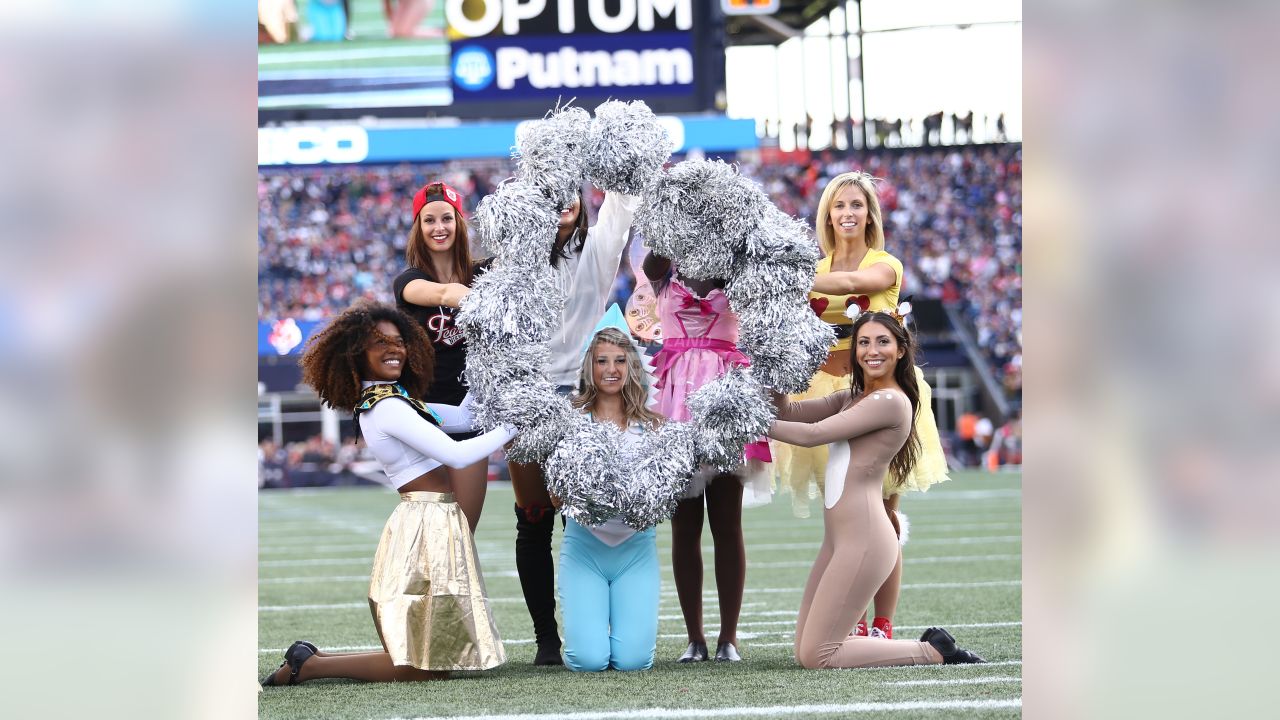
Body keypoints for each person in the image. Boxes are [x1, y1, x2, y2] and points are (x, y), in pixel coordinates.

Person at [261, 302, 512, 686]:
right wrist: (520, 422)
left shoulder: (394, 400)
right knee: (419, 668)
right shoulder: (388, 408)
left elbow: (466, 418)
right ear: (356, 353)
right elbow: (458, 454)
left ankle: (312, 659)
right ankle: (310, 667)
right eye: (379, 342)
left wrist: (486, 360)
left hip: (430, 520)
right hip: (426, 523)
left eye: (399, 341)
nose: (394, 348)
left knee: (427, 662)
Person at [772, 170, 950, 640]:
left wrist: (786, 269)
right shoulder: (815, 260)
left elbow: (851, 280)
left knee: (884, 509)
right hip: (822, 390)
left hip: (877, 389)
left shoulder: (885, 263)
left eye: (856, 205)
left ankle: (884, 624)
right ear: (826, 215)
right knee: (841, 510)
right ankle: (849, 617)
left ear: (870, 214)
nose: (847, 214)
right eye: (839, 205)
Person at [769, 311, 985, 669]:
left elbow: (812, 435)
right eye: (864, 342)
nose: (872, 350)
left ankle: (933, 652)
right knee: (805, 649)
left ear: (901, 350)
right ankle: (909, 647)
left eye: (883, 341)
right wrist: (776, 370)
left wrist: (746, 423)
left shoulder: (891, 401)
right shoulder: (852, 396)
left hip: (865, 538)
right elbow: (790, 411)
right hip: (838, 539)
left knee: (818, 656)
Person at [507, 186, 640, 665]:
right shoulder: (516, 255)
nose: (563, 199)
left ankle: (594, 632)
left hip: (583, 398)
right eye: (552, 190)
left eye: (572, 190)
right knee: (533, 519)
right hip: (527, 397)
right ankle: (546, 638)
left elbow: (624, 207)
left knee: (584, 517)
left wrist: (622, 158)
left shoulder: (597, 247)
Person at [641, 252, 768, 663]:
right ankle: (694, 637)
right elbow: (652, 261)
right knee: (684, 525)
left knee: (728, 522)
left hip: (728, 398)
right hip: (674, 400)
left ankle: (728, 638)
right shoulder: (664, 267)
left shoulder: (737, 264)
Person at [556, 324, 665, 672]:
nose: (611, 370)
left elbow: (664, 499)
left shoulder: (655, 425)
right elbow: (556, 499)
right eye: (602, 360)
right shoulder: (569, 422)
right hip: (584, 548)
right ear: (589, 366)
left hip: (636, 549)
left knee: (634, 661)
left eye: (620, 360)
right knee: (588, 660)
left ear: (632, 366)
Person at [393, 181, 492, 532]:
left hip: (473, 412)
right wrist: (488, 300)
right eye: (429, 220)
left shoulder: (485, 273)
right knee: (431, 533)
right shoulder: (408, 281)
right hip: (424, 415)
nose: (439, 228)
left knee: (464, 533)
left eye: (447, 219)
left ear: (459, 222)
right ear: (418, 228)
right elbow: (445, 293)